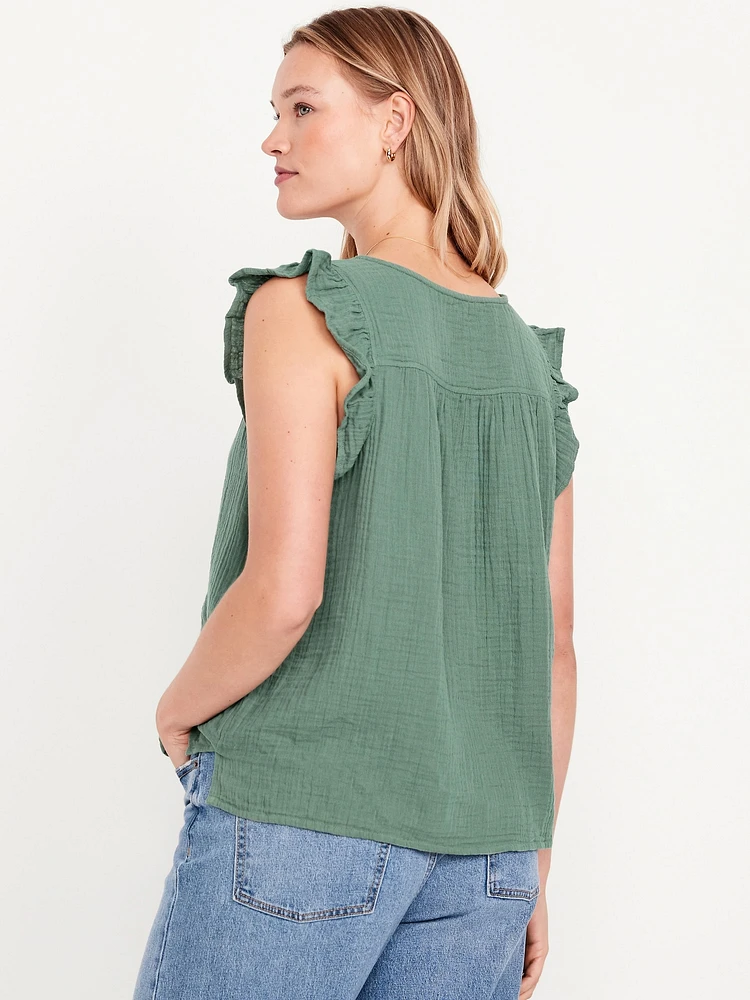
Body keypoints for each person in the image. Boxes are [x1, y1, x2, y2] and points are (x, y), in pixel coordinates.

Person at [133, 7, 580, 1000]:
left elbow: (285, 590)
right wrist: (532, 863)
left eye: (302, 108)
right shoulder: (528, 364)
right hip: (489, 857)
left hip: (305, 817)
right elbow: (554, 644)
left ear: (395, 122)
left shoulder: (305, 310)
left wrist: (176, 709)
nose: (273, 139)